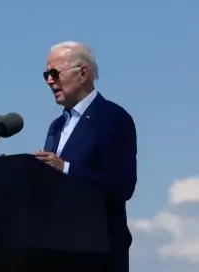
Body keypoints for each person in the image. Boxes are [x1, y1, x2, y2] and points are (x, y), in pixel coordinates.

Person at [34, 41, 137, 272]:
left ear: (82, 73)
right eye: (46, 75)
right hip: (58, 251)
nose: (50, 80)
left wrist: (66, 168)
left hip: (99, 253)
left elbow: (123, 186)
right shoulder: (56, 126)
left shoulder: (112, 118)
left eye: (54, 73)